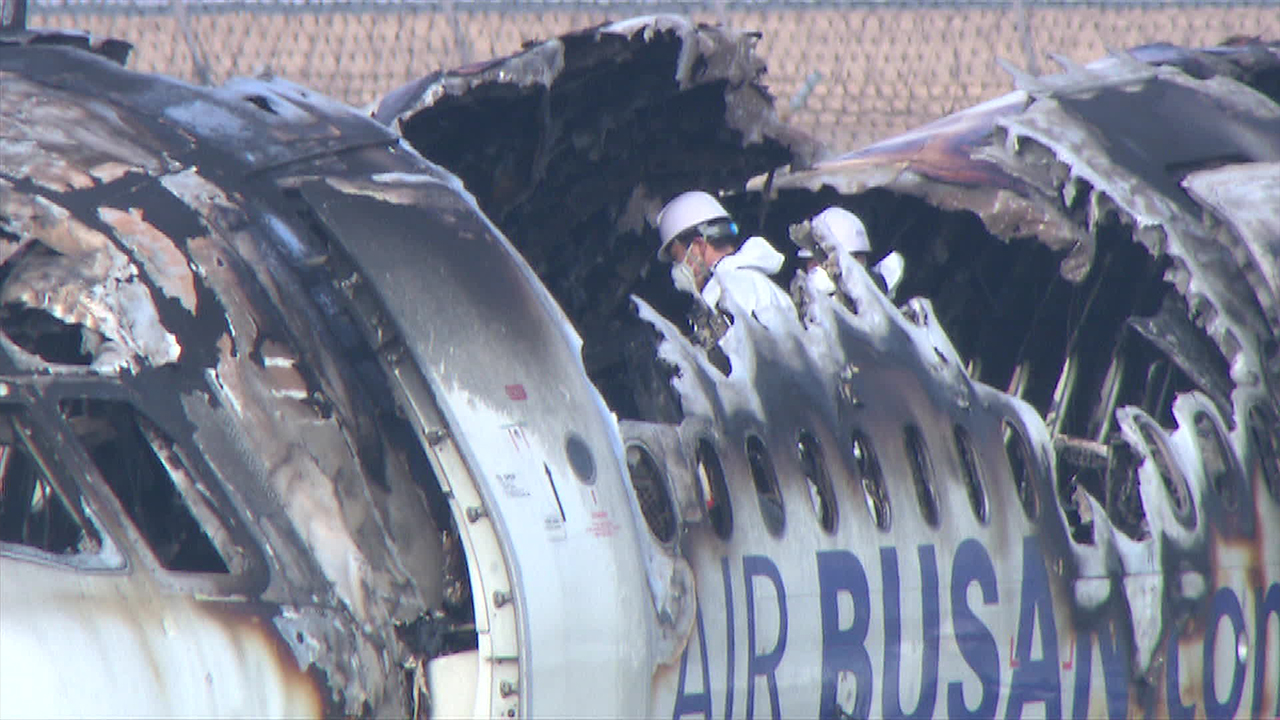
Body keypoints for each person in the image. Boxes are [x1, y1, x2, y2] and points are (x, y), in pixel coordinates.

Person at [655, 191, 795, 336]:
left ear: (697, 247)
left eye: (677, 258)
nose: (677, 269)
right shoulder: (736, 285)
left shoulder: (737, 287)